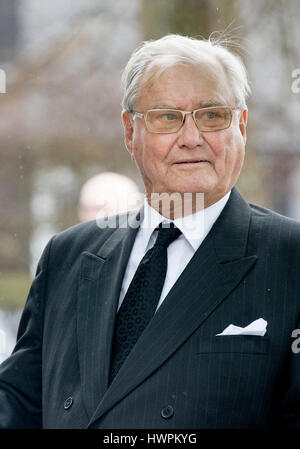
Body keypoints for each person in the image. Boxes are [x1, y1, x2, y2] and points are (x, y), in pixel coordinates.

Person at [0, 33, 300, 429]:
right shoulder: (67, 256)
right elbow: (19, 404)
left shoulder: (291, 259)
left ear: (241, 125)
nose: (192, 138)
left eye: (212, 115)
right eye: (167, 117)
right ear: (130, 131)